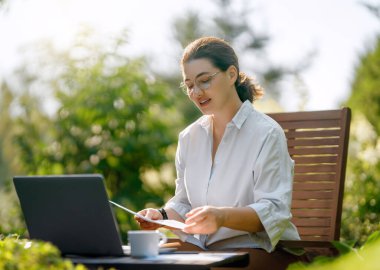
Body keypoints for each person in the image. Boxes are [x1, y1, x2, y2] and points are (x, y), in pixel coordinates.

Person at [136, 36, 300, 252]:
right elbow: (184, 203)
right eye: (189, 85)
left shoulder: (267, 134)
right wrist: (162, 216)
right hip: (207, 253)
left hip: (259, 250)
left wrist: (222, 217)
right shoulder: (189, 137)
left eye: (204, 80)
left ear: (232, 74)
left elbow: (273, 211)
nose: (196, 93)